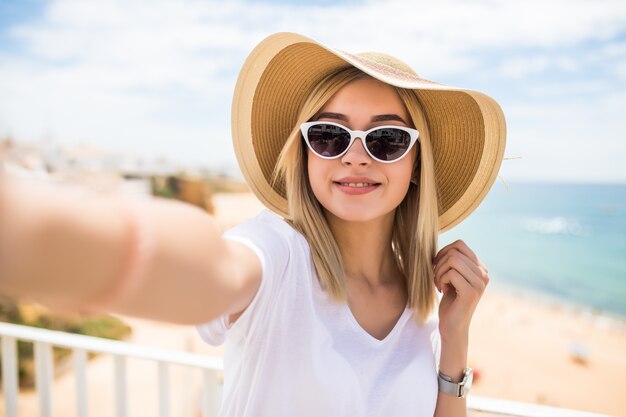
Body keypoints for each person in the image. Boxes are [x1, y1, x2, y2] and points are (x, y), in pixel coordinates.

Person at [0, 32, 506, 417]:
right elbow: (211, 267)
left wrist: (455, 338)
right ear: (305, 155)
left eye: (387, 140)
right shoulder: (276, 253)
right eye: (329, 136)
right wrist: (32, 230)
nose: (355, 157)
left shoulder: (425, 305)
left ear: (416, 165)